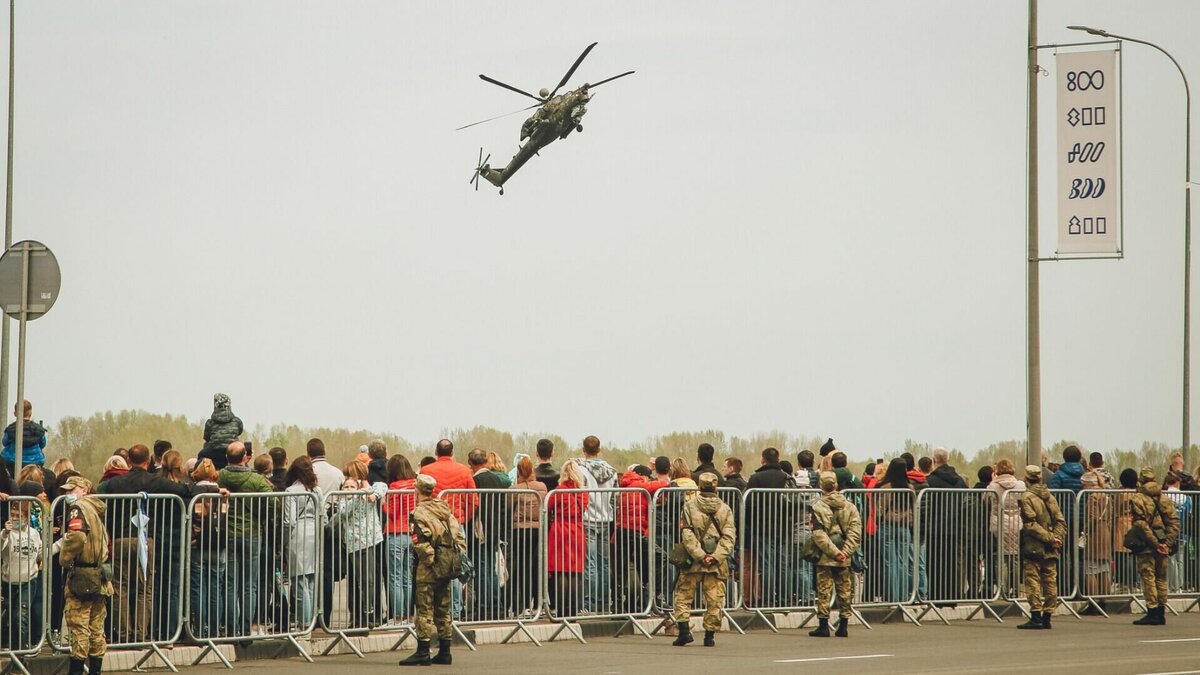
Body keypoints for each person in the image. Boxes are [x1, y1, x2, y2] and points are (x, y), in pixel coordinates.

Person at [97, 443, 191, 643]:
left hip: (120, 539)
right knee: (144, 588)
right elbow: (183, 490)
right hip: (144, 540)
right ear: (148, 461)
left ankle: (123, 635)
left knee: (120, 588)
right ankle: (141, 635)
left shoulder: (115, 484)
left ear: (129, 461)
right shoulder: (153, 481)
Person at [399, 474, 467, 667]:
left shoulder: (418, 513)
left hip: (429, 568)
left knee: (424, 609)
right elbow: (458, 536)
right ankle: (445, 651)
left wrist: (430, 562)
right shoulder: (444, 509)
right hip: (447, 564)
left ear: (417, 490)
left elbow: (420, 541)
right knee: (443, 608)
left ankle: (423, 651)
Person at [671, 473, 736, 648]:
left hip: (693, 562)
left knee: (683, 595)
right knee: (714, 599)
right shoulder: (725, 509)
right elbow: (729, 537)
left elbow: (687, 533)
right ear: (715, 487)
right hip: (717, 564)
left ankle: (684, 632)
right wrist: (715, 557)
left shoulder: (689, 506)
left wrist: (699, 555)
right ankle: (709, 636)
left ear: (699, 487)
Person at [218, 441, 273, 635]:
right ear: (244, 458)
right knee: (250, 584)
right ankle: (246, 628)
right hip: (252, 534)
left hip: (229, 535)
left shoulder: (220, 477)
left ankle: (232, 629)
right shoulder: (256, 480)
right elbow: (274, 503)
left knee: (231, 583)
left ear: (227, 458)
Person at [58, 476, 111, 675]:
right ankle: (96, 670)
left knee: (79, 627)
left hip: (82, 575)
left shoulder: (78, 509)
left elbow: (77, 536)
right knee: (97, 627)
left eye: (72, 489)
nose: (67, 493)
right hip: (99, 575)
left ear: (84, 489)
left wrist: (65, 557)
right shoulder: (96, 509)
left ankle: (76, 672)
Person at [331, 461, 386, 628]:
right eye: (345, 486)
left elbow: (382, 487)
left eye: (351, 484)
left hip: (369, 540)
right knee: (356, 581)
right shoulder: (345, 500)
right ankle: (357, 616)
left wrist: (370, 492)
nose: (348, 489)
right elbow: (343, 512)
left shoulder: (369, 489)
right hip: (352, 543)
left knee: (368, 580)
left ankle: (368, 613)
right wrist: (357, 495)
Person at [808, 471, 862, 638]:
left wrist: (834, 552)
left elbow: (819, 534)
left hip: (826, 555)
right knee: (845, 589)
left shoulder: (818, 507)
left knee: (824, 589)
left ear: (821, 486)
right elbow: (855, 532)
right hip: (845, 556)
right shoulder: (850, 507)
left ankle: (823, 625)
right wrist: (845, 552)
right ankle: (843, 624)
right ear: (836, 485)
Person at [1129, 467, 1181, 626]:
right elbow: (1174, 523)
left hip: (1146, 544)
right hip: (1163, 542)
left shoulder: (1138, 499)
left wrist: (1156, 544)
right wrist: (1166, 543)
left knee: (1148, 576)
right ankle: (1161, 612)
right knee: (1161, 577)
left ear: (1141, 480)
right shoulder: (1164, 498)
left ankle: (1152, 611)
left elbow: (1141, 524)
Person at [1017, 465, 1066, 630]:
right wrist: (1056, 538)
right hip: (1052, 547)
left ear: (1026, 478)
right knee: (1050, 580)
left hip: (1034, 545)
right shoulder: (1050, 496)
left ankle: (1036, 615)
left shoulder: (1027, 497)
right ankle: (1048, 616)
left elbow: (1030, 524)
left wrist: (1050, 538)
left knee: (1033, 581)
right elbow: (1060, 520)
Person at [745, 447, 790, 608]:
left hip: (762, 527)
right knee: (783, 564)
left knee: (767, 565)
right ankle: (785, 599)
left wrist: (750, 523)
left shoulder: (756, 478)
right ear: (778, 459)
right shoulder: (787, 478)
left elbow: (747, 504)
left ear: (763, 459)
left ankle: (768, 600)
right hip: (784, 528)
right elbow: (792, 503)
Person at [1, 483, 44, 649]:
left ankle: (21, 652)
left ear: (26, 517)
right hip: (9, 581)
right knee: (10, 616)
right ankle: (10, 646)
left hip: (28, 579)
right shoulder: (6, 533)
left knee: (22, 615)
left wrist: (61, 544)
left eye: (18, 515)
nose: (15, 518)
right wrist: (5, 532)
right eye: (12, 514)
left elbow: (41, 554)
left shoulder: (34, 534)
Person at [187, 459, 227, 639]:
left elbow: (196, 517)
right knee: (215, 588)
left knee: (198, 588)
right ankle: (214, 629)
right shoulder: (222, 494)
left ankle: (198, 630)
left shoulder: (194, 492)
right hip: (218, 543)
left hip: (198, 544)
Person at [578, 435, 617, 614]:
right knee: (604, 563)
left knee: (590, 563)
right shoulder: (612, 470)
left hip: (588, 518)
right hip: (606, 518)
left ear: (584, 450)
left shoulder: (581, 469)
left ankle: (590, 603)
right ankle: (603, 602)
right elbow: (615, 498)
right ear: (599, 449)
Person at [467, 448, 507, 620]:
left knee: (482, 568)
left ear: (471, 463)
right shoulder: (497, 480)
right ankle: (496, 603)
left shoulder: (475, 481)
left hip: (480, 531)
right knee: (491, 567)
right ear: (485, 461)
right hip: (494, 530)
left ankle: (484, 606)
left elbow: (473, 506)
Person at [547, 460, 588, 619]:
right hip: (577, 530)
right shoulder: (583, 493)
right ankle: (573, 611)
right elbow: (584, 508)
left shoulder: (558, 491)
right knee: (575, 570)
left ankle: (561, 610)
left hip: (559, 529)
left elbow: (548, 506)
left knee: (560, 569)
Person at [381, 455, 418, 623]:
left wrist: (383, 503)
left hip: (395, 532)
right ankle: (408, 614)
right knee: (407, 577)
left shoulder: (394, 487)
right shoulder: (414, 486)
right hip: (410, 535)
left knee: (394, 577)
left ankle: (397, 615)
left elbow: (392, 513)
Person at [510, 456, 547, 616]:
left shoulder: (515, 489)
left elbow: (507, 506)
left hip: (520, 529)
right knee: (536, 565)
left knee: (521, 566)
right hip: (538, 529)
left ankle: (522, 604)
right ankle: (536, 602)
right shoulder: (541, 486)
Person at [875, 458, 914, 603]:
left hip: (888, 525)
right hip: (904, 527)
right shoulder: (909, 488)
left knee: (889, 562)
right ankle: (903, 597)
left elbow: (880, 508)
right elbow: (912, 509)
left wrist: (879, 519)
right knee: (903, 562)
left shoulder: (886, 487)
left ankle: (892, 597)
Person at [988, 459, 1025, 601]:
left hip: (999, 523)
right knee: (1015, 557)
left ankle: (1002, 588)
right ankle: (1015, 589)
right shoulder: (1020, 485)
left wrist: (993, 480)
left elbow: (986, 498)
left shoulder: (993, 485)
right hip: (1016, 523)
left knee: (1001, 558)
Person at [1, 400, 47, 474]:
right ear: (31, 413)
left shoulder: (10, 429)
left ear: (15, 413)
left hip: (11, 462)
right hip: (35, 463)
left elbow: (4, 442)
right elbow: (43, 444)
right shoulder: (39, 429)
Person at [1163, 475, 1191, 594]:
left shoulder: (1164, 496)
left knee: (1170, 559)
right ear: (1177, 482)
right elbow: (1189, 514)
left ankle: (1172, 586)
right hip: (1183, 531)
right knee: (1180, 560)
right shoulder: (1187, 498)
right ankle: (1179, 586)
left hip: (1168, 532)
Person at [199, 393, 243, 470]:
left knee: (201, 455)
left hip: (214, 452)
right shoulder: (237, 421)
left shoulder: (210, 422)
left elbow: (206, 438)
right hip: (232, 452)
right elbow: (240, 431)